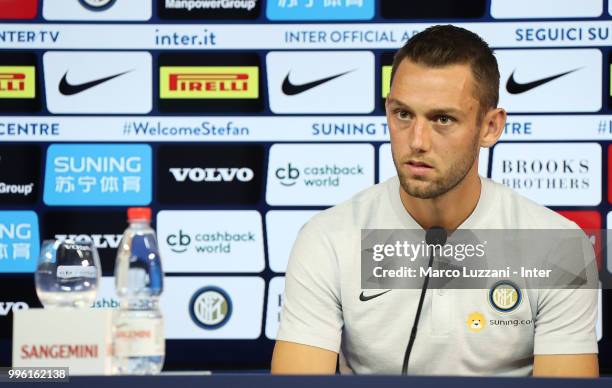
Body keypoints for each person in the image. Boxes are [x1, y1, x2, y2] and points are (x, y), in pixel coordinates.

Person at [270, 25, 599, 377]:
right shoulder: (328, 238)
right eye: (403, 114)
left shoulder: (557, 247)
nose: (417, 141)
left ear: (490, 127)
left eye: (443, 119)